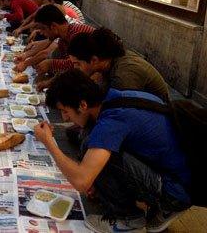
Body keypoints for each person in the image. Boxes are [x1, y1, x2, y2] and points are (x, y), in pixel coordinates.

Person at [34, 69, 191, 233]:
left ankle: (128, 219)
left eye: (65, 111)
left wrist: (49, 142)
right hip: (176, 175)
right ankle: (156, 206)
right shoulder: (117, 96)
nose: (65, 118)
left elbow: (81, 181)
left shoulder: (112, 120)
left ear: (83, 104)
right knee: (90, 142)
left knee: (94, 147)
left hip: (176, 191)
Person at [68, 28, 170, 102]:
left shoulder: (124, 74)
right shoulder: (109, 64)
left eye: (77, 64)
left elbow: (118, 110)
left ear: (94, 60)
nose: (76, 68)